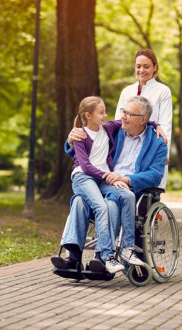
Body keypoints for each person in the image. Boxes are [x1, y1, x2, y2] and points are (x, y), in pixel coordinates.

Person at [52, 96, 167, 274]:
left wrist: (127, 179)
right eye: (124, 112)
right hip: (100, 181)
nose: (124, 117)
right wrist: (70, 139)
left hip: (125, 187)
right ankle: (73, 258)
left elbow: (155, 175)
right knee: (79, 201)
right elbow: (86, 153)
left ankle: (102, 257)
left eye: (130, 114)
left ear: (142, 119)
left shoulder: (158, 142)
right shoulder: (114, 129)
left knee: (111, 204)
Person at [70, 48, 172, 188]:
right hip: (125, 143)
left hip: (148, 146)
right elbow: (118, 121)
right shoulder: (127, 91)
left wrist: (164, 153)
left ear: (155, 67)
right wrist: (74, 139)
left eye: (146, 66)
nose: (142, 70)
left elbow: (166, 124)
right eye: (138, 66)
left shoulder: (163, 91)